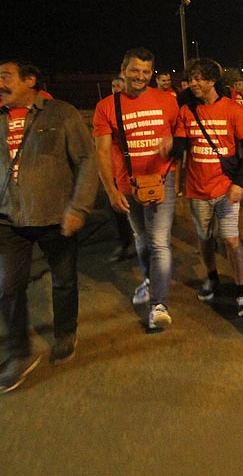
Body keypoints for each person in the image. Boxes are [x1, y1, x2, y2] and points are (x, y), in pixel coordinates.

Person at [0, 60, 98, 394]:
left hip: (56, 217)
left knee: (63, 280)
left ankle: (65, 333)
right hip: (9, 219)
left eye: (4, 77)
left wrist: (78, 207)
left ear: (30, 80)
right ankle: (19, 352)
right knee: (8, 287)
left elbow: (87, 160)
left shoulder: (61, 113)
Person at [94, 48, 179, 330]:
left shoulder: (168, 100)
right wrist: (111, 191)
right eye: (135, 70)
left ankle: (159, 304)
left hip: (161, 180)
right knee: (141, 238)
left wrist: (172, 145)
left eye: (146, 71)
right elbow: (102, 152)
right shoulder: (107, 106)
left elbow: (182, 137)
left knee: (158, 241)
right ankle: (148, 278)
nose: (140, 77)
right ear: (123, 70)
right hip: (128, 183)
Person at [170, 58, 243, 316]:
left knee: (231, 240)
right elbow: (179, 149)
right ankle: (212, 277)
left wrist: (240, 183)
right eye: (191, 78)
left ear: (211, 81)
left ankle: (241, 292)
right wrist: (166, 143)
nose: (193, 83)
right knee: (204, 238)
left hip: (226, 189)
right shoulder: (187, 111)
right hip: (197, 190)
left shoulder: (233, 110)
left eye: (199, 78)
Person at [107, 76, 134, 262]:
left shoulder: (133, 106)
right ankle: (123, 242)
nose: (116, 88)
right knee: (116, 209)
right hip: (116, 167)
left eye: (119, 85)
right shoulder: (106, 107)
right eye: (113, 85)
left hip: (137, 170)